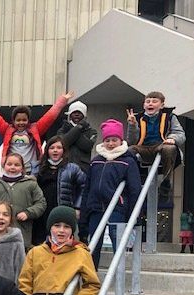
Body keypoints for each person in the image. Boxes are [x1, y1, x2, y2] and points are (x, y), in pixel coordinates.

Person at [79, 119, 141, 268]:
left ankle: (119, 275)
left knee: (117, 242)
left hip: (117, 209)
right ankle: (91, 276)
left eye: (114, 140)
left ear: (121, 141)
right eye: (107, 140)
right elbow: (87, 189)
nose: (111, 144)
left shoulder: (128, 161)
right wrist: (84, 214)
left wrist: (134, 216)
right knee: (93, 244)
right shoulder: (96, 161)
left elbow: (134, 190)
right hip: (95, 209)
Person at [0, 92, 74, 175]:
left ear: (28, 120)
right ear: (13, 121)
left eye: (24, 120)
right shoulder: (7, 130)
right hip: (12, 169)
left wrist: (62, 101)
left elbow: (49, 117)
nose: (21, 122)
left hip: (31, 171)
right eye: (18, 120)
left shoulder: (35, 129)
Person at [0, 152, 47, 251]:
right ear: (4, 166)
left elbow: (41, 203)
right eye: (9, 164)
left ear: (22, 168)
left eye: (17, 165)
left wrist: (28, 213)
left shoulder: (31, 185)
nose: (12, 167)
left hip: (22, 234)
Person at [32, 136, 86, 245]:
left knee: (61, 242)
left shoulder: (73, 168)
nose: (55, 150)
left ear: (63, 150)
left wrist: (77, 207)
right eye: (52, 148)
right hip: (41, 212)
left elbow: (84, 186)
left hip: (62, 211)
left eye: (58, 148)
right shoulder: (37, 167)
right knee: (40, 244)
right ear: (47, 150)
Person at [126, 91, 186, 181]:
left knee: (169, 148)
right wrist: (132, 125)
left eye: (154, 101)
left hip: (161, 146)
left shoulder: (169, 117)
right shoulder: (137, 118)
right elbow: (131, 142)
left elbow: (180, 133)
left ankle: (166, 181)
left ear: (162, 105)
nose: (150, 104)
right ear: (144, 105)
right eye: (148, 102)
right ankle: (133, 178)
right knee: (129, 150)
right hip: (144, 148)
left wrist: (172, 139)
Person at [56, 101, 97, 174]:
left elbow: (87, 146)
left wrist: (76, 129)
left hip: (83, 169)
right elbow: (64, 143)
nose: (77, 114)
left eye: (80, 112)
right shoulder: (62, 130)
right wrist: (78, 128)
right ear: (70, 115)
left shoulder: (92, 131)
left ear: (84, 116)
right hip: (65, 168)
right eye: (74, 112)